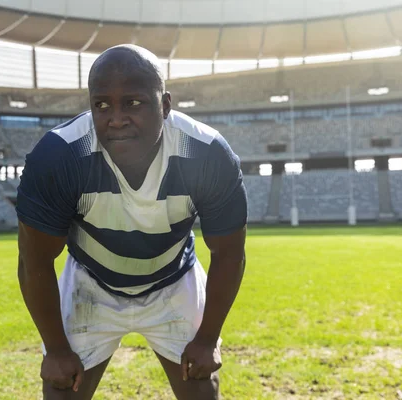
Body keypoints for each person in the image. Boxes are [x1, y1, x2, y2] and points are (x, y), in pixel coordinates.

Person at [16, 44, 247, 400]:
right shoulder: (61, 155)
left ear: (165, 105)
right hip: (91, 281)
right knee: (61, 385)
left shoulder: (206, 153)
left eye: (134, 103)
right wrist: (56, 349)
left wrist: (206, 339)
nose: (117, 117)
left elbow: (229, 253)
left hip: (173, 279)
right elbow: (35, 260)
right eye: (102, 104)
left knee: (200, 385)